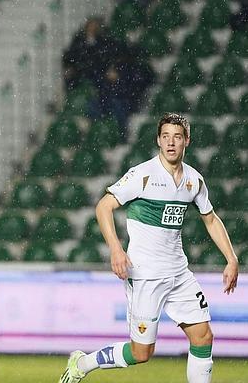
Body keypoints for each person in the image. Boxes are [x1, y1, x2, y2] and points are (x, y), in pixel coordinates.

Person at [59, 113, 239, 383]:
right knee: (141, 353)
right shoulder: (142, 175)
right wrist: (116, 250)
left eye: (177, 137)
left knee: (203, 335)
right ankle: (83, 363)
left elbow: (210, 219)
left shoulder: (194, 181)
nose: (170, 142)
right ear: (158, 140)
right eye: (165, 136)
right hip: (145, 274)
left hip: (179, 273)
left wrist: (231, 258)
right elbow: (103, 206)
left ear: (186, 141)